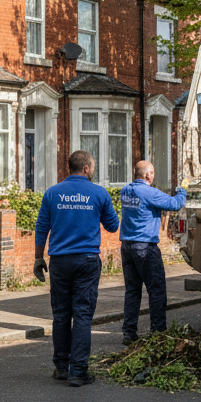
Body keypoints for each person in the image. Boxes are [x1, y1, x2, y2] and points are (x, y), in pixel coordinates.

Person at [34, 150, 119, 387]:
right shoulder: (99, 192)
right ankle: (78, 371)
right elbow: (113, 226)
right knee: (82, 314)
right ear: (86, 169)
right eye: (92, 167)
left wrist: (37, 259)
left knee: (61, 314)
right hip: (87, 261)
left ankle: (62, 367)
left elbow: (42, 227)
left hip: (59, 261)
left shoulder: (52, 193)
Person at [119, 160, 186, 345]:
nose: (153, 176)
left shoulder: (125, 190)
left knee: (132, 291)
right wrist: (182, 190)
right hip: (145, 248)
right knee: (156, 290)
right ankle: (157, 332)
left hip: (127, 246)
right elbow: (174, 204)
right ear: (148, 175)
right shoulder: (149, 192)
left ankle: (129, 332)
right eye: (153, 173)